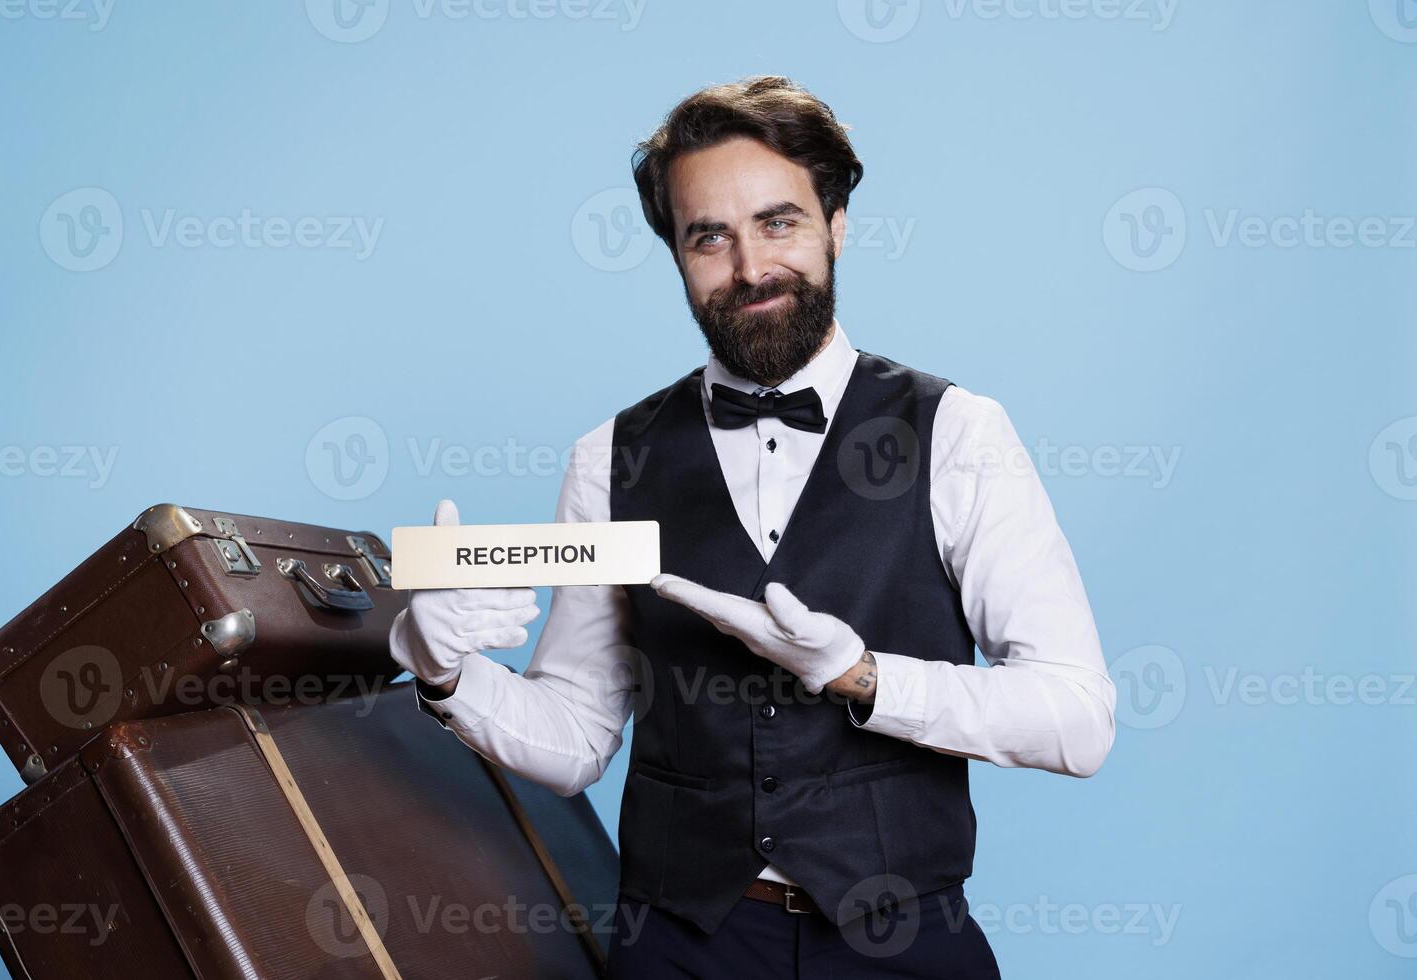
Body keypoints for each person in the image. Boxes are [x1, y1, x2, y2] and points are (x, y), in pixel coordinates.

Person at [389, 75, 1115, 979]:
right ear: (676, 255)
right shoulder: (608, 456)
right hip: (681, 946)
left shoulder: (963, 434)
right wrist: (446, 672)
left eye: (779, 222)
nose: (749, 268)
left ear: (836, 224)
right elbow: (576, 736)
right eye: (710, 237)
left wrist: (862, 676)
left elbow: (1077, 720)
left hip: (901, 944)